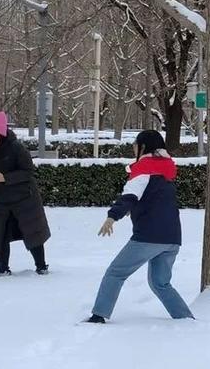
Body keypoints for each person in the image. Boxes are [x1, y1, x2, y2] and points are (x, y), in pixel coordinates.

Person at [87, 130, 194, 324]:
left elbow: (130, 196)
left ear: (143, 147)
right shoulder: (167, 169)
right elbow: (154, 197)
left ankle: (98, 315)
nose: (133, 147)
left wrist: (112, 217)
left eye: (136, 143)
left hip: (148, 237)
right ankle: (185, 319)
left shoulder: (144, 168)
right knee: (161, 283)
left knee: (115, 273)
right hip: (172, 238)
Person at [0, 111, 51, 275]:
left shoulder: (16, 147)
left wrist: (5, 178)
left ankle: (41, 266)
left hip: (24, 199)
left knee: (32, 233)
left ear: (1, 132)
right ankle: (3, 269)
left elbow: (28, 172)